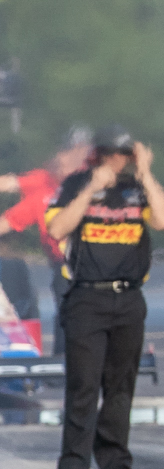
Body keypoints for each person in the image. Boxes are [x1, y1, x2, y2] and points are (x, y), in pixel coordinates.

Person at [45, 129, 164, 469]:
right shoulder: (75, 184)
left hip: (129, 296)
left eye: (123, 154)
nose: (115, 161)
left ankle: (116, 462)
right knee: (84, 383)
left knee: (121, 385)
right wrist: (90, 190)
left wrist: (147, 174)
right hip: (87, 296)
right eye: (109, 153)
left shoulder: (139, 188)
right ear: (98, 155)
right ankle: (72, 466)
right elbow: (57, 228)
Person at [1, 127, 93, 350]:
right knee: (66, 309)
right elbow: (10, 188)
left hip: (94, 261)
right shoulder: (44, 185)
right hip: (63, 263)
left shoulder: (94, 181)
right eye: (68, 151)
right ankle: (63, 363)